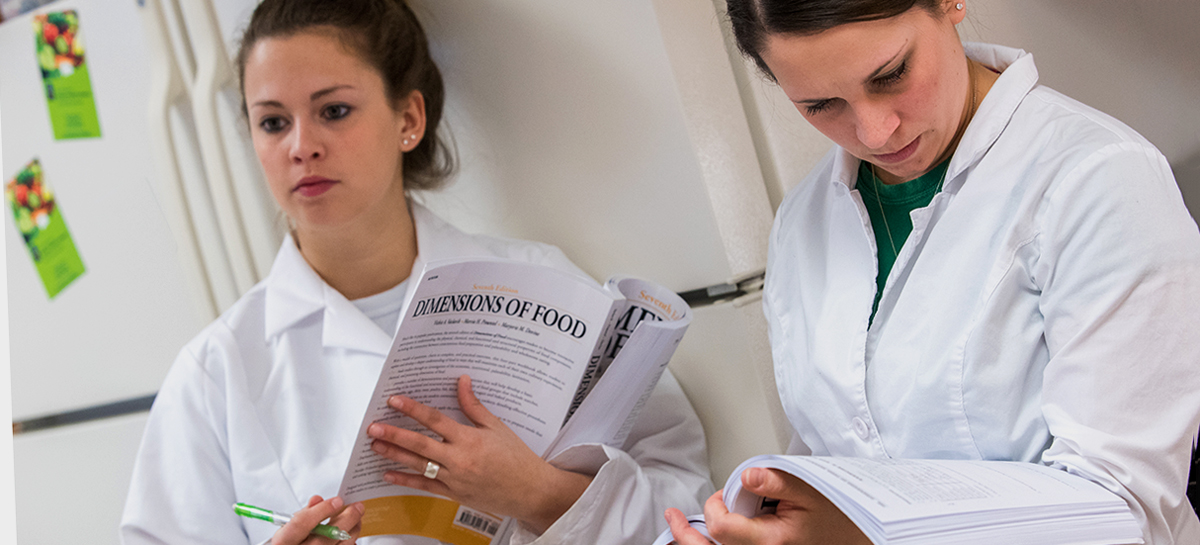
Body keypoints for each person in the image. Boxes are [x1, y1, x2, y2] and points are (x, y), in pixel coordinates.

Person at [119, 1, 711, 543]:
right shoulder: (217, 372)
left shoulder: (543, 287)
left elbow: (689, 505)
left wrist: (540, 496)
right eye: (273, 122)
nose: (301, 146)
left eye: (334, 110)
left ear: (409, 117)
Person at [665, 1, 1200, 544]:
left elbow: (1127, 513)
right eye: (822, 104)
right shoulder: (802, 221)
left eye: (891, 75)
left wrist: (859, 538)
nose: (875, 133)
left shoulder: (1099, 178)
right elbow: (832, 461)